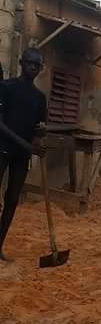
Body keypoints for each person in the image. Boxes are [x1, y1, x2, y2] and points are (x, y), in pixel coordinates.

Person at [0, 47, 47, 261]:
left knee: (12, 200)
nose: (33, 67)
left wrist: (39, 136)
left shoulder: (39, 98)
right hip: (2, 149)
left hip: (21, 156)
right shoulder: (6, 87)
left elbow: (38, 128)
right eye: (30, 63)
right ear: (21, 62)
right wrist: (28, 146)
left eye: (37, 65)